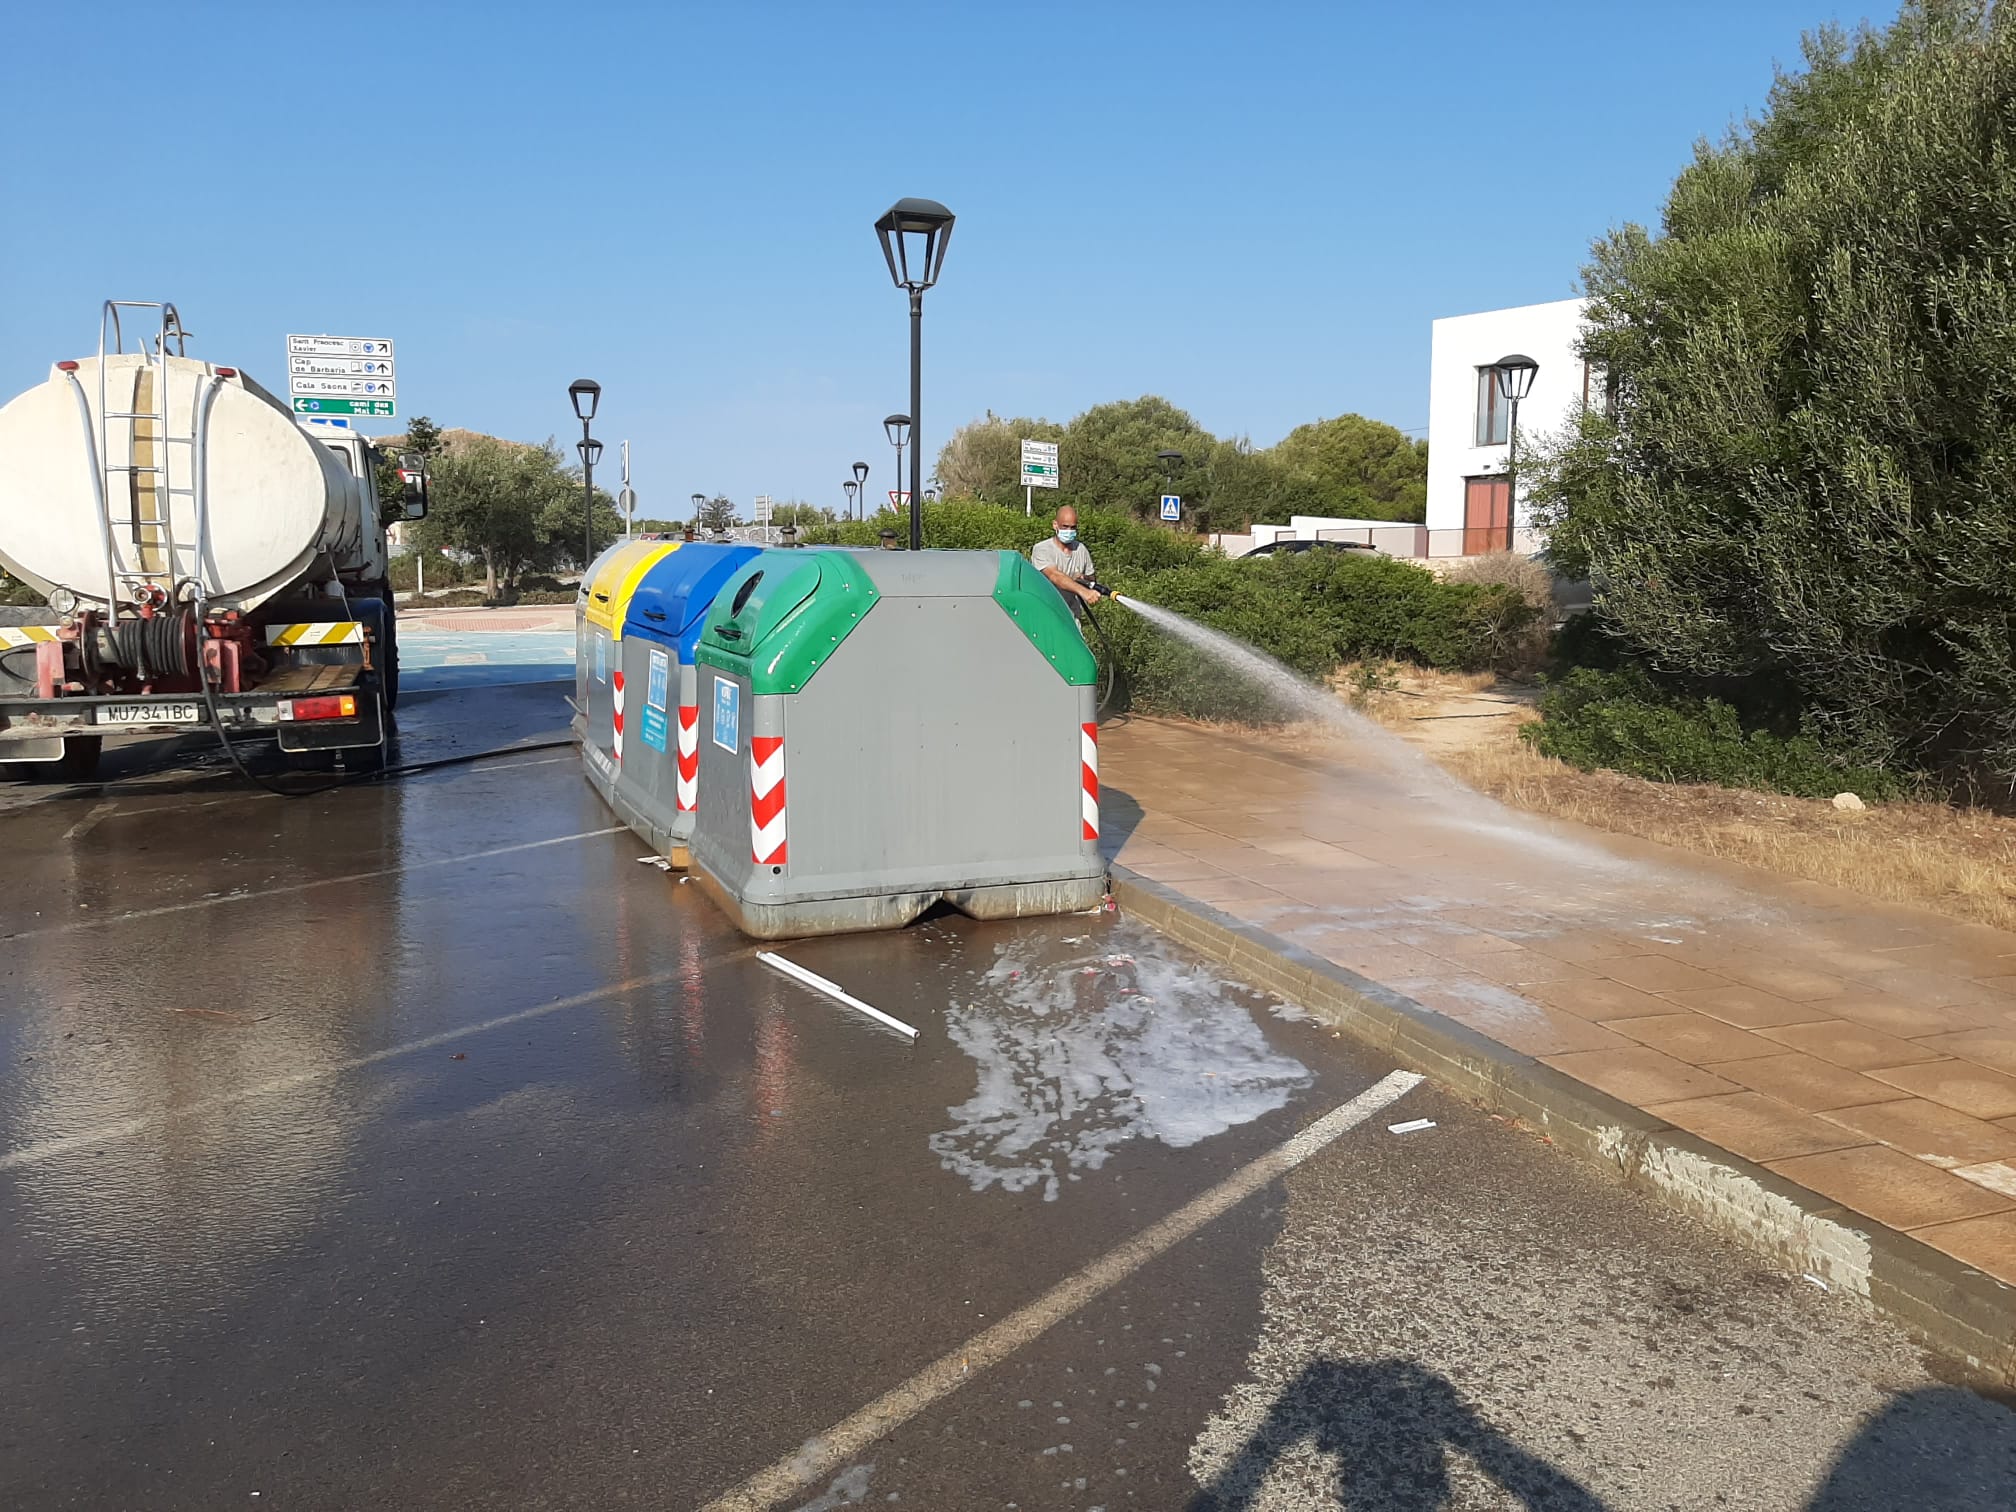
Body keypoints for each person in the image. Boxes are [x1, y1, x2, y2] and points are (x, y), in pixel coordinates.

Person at [1031, 506, 1102, 616]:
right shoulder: (1042, 549)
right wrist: (1083, 591)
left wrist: (1084, 579)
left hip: (1072, 616)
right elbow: (1055, 576)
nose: (1069, 531)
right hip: (1047, 614)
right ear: (1055, 525)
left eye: (1073, 527)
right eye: (1065, 526)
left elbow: (1092, 578)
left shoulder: (1081, 549)